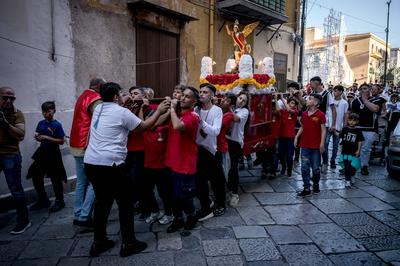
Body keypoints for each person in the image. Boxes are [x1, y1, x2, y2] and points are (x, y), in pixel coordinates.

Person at [84, 82, 169, 257]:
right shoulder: (121, 112)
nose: (127, 95)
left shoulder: (98, 109)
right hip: (112, 165)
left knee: (102, 202)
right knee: (125, 203)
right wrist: (159, 110)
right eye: (122, 93)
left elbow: (117, 119)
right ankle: (129, 243)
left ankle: (98, 242)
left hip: (92, 162)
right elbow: (143, 127)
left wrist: (127, 106)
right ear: (115, 97)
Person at [164, 87, 200, 233]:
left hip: (185, 162)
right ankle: (177, 219)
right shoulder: (177, 113)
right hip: (171, 161)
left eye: (187, 97)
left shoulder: (193, 116)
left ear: (194, 101)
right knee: (172, 195)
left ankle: (191, 216)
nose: (183, 98)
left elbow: (178, 126)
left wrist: (172, 109)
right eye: (182, 95)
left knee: (184, 195)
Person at [70, 77, 104, 227]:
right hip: (86, 145)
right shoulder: (95, 98)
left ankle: (77, 213)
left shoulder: (82, 96)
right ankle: (84, 217)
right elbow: (102, 119)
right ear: (99, 86)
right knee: (95, 182)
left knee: (81, 181)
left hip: (76, 143)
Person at [0, 86, 30, 235]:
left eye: (11, 98)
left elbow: (21, 134)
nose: (8, 100)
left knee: (16, 189)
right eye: (5, 97)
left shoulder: (17, 114)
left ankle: (23, 220)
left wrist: (6, 124)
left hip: (10, 154)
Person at [27, 101, 67, 212]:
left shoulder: (57, 125)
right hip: (42, 152)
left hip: (53, 153)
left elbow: (61, 141)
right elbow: (38, 134)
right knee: (35, 174)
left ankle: (60, 201)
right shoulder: (41, 123)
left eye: (49, 111)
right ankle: (43, 200)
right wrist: (38, 137)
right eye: (44, 112)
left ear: (54, 111)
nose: (46, 114)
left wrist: (46, 137)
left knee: (56, 178)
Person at [195, 83, 224, 222]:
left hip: (211, 150)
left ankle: (221, 204)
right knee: (200, 180)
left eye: (205, 92)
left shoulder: (217, 110)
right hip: (197, 150)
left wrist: (201, 122)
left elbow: (216, 131)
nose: (201, 94)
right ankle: (206, 204)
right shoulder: (196, 109)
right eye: (200, 92)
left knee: (216, 180)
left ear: (212, 95)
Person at [294, 94, 326, 197]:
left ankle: (316, 184)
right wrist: (296, 137)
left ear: (316, 103)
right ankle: (306, 187)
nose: (307, 100)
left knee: (316, 168)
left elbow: (323, 130)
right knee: (304, 167)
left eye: (310, 99)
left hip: (316, 146)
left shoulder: (320, 115)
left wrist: (322, 143)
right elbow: (302, 127)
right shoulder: (304, 114)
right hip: (305, 145)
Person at [350, 83, 385, 175]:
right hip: (357, 127)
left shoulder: (377, 99)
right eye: (361, 89)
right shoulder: (355, 101)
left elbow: (374, 109)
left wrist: (365, 99)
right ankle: (353, 166)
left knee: (365, 149)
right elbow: (350, 114)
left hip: (370, 128)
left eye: (365, 88)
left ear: (369, 90)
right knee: (355, 148)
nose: (363, 90)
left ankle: (364, 166)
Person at [309, 76, 337, 173]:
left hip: (325, 123)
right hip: (314, 123)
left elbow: (333, 110)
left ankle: (325, 162)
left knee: (324, 144)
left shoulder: (327, 94)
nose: (310, 85)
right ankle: (316, 163)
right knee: (315, 144)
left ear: (316, 83)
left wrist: (333, 124)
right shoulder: (312, 94)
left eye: (311, 83)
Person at [227, 91, 250, 206]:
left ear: (246, 103)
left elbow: (235, 119)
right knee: (225, 167)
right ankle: (227, 189)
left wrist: (228, 108)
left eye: (244, 100)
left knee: (233, 168)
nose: (240, 101)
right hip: (225, 139)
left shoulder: (245, 111)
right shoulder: (232, 107)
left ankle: (234, 193)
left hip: (235, 142)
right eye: (240, 98)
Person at [323, 85, 348, 169]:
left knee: (335, 145)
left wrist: (344, 127)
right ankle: (325, 160)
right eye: (334, 91)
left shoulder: (344, 103)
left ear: (341, 92)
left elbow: (345, 115)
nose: (334, 92)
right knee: (325, 143)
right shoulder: (330, 100)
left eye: (336, 91)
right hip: (329, 126)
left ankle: (333, 159)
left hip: (338, 127)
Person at [276, 95, 299, 177]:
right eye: (289, 103)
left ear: (295, 106)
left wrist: (282, 98)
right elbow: (278, 109)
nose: (290, 104)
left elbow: (289, 110)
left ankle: (289, 168)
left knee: (289, 156)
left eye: (292, 103)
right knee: (281, 154)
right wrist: (275, 99)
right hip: (281, 136)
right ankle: (284, 166)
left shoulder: (295, 112)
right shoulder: (284, 111)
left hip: (290, 137)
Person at [339, 113, 364, 187]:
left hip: (353, 151)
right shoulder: (345, 129)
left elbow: (360, 141)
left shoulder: (358, 131)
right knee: (347, 167)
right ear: (348, 120)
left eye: (354, 120)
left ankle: (352, 175)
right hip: (345, 152)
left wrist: (358, 150)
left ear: (357, 122)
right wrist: (334, 131)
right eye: (350, 120)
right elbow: (340, 136)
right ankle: (347, 180)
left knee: (353, 167)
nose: (352, 122)